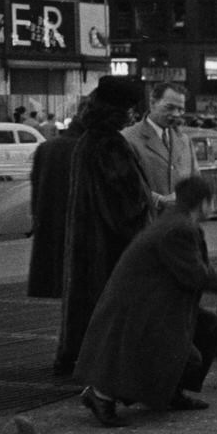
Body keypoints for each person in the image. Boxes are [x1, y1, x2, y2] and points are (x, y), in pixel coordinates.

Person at [75, 176, 217, 426]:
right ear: (202, 203)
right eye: (212, 201)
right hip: (143, 308)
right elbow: (195, 275)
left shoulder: (178, 221)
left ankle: (170, 392)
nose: (214, 206)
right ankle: (100, 395)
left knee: (210, 327)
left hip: (154, 302)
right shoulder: (179, 228)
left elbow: (193, 270)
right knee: (186, 356)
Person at [56, 78, 153, 378]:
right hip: (111, 245)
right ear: (122, 110)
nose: (134, 116)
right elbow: (128, 203)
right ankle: (104, 370)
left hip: (88, 239)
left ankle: (75, 357)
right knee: (113, 304)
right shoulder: (111, 143)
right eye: (132, 109)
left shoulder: (88, 139)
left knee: (85, 301)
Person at [26, 104, 85, 299]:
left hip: (52, 228)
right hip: (84, 234)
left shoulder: (46, 148)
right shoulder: (93, 148)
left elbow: (36, 189)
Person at [122, 82, 198, 217]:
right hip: (145, 227)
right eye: (169, 107)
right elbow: (123, 187)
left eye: (180, 109)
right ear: (152, 103)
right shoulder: (128, 139)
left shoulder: (185, 141)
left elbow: (195, 181)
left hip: (180, 225)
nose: (175, 114)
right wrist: (159, 201)